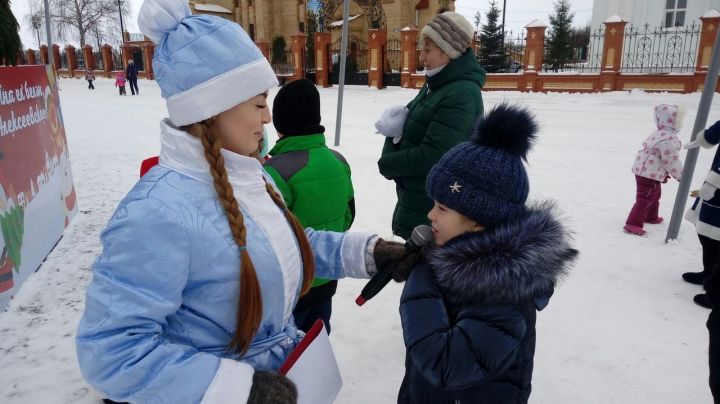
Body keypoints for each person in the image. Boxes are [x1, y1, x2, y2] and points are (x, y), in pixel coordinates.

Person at [75, 1, 408, 402]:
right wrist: (236, 389)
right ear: (211, 109)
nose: (268, 118)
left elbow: (282, 251)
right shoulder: (156, 213)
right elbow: (111, 353)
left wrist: (370, 253)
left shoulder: (251, 178)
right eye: (257, 103)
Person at [396, 104, 578, 404]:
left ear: (480, 220)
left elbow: (445, 364)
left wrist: (422, 275)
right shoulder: (460, 259)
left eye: (442, 208)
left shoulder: (504, 287)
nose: (430, 214)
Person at [377, 11, 485, 240]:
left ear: (448, 51)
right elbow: (409, 129)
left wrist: (388, 163)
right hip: (420, 201)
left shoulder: (461, 93)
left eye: (427, 50)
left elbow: (434, 155)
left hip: (438, 212)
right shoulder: (436, 85)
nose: (421, 57)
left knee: (428, 271)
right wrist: (394, 127)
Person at [264, 79, 354, 334]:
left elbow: (271, 233)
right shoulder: (339, 161)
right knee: (317, 335)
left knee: (289, 347)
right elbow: (349, 215)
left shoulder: (275, 170)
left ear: (280, 124)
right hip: (329, 274)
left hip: (293, 283)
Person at [684, 120, 720, 403]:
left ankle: (714, 289)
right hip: (715, 190)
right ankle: (709, 274)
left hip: (718, 190)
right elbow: (713, 133)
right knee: (707, 236)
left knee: (714, 238)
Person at [624, 104, 684, 235]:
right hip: (648, 172)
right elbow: (670, 161)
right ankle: (633, 223)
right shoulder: (667, 138)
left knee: (655, 194)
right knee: (645, 197)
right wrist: (681, 175)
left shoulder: (661, 133)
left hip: (649, 170)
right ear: (673, 121)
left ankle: (651, 216)